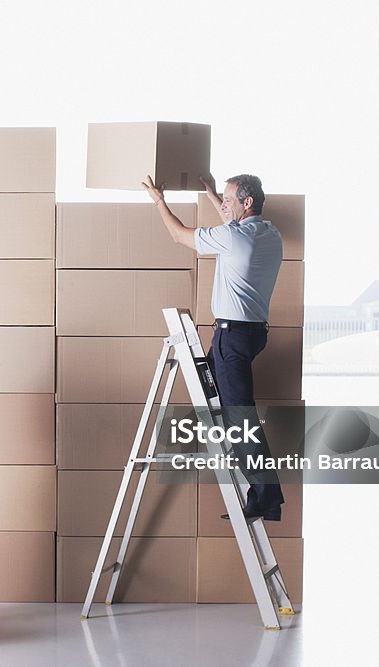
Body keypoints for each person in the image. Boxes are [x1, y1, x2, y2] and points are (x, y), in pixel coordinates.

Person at [142, 173, 285, 520]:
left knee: (239, 417)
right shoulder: (270, 234)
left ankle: (266, 495)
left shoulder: (233, 237)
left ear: (246, 202)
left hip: (231, 337)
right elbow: (231, 223)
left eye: (228, 198)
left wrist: (160, 201)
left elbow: (179, 235)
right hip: (252, 334)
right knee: (224, 407)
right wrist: (211, 192)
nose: (222, 204)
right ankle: (262, 489)